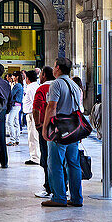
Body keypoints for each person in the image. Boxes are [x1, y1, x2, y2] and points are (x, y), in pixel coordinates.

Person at [42, 58, 84, 208]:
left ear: (58, 68)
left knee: (55, 163)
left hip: (59, 128)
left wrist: (45, 127)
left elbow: (52, 107)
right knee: (73, 163)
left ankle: (59, 197)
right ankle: (77, 198)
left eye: (54, 66)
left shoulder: (56, 84)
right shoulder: (74, 84)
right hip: (73, 128)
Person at [32, 66, 56, 199]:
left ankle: (48, 187)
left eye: (41, 74)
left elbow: (36, 109)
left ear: (45, 75)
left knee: (46, 156)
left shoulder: (42, 88)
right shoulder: (63, 86)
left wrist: (37, 124)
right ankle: (62, 186)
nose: (40, 77)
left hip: (45, 127)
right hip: (60, 126)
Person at [22, 69, 41, 165]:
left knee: (33, 136)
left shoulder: (32, 88)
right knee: (33, 135)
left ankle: (35, 158)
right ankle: (35, 156)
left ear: (28, 78)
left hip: (32, 114)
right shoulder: (33, 86)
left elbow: (35, 102)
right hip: (31, 114)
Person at [6, 71, 25, 145]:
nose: (12, 77)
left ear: (16, 77)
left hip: (14, 105)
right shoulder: (20, 85)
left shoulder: (17, 85)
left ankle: (12, 139)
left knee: (9, 122)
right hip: (18, 105)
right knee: (16, 122)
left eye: (13, 76)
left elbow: (11, 94)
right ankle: (17, 139)